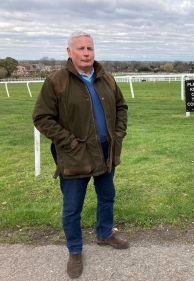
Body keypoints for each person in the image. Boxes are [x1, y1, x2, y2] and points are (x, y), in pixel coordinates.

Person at [32, 31, 129, 278]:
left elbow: (121, 107)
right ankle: (75, 250)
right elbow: (41, 118)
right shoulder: (57, 81)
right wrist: (69, 142)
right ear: (69, 52)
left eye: (90, 48)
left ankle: (105, 233)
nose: (86, 53)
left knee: (107, 197)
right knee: (72, 208)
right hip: (75, 156)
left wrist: (118, 134)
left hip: (107, 152)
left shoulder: (106, 78)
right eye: (81, 48)